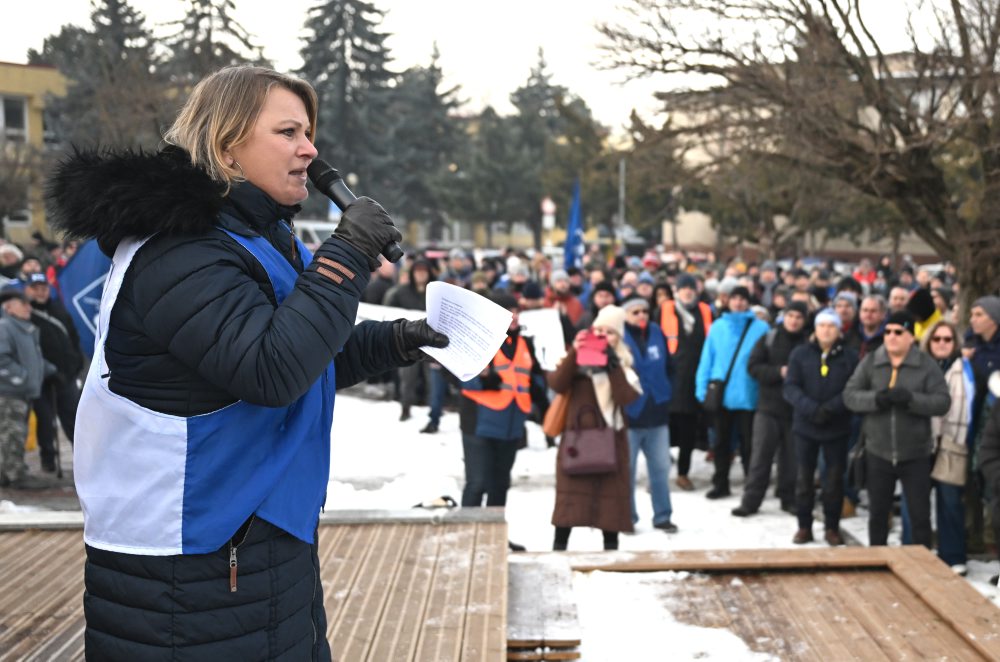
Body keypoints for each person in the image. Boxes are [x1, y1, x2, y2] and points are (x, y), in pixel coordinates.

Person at [46, 66, 448, 660]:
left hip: (249, 535)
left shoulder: (252, 239)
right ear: (226, 144)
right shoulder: (179, 250)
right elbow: (271, 370)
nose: (310, 149)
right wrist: (348, 255)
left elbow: (307, 355)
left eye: (308, 132)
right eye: (288, 132)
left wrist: (403, 338)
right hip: (189, 563)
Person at [843, 311, 950, 549]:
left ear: (910, 336)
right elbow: (850, 395)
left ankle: (922, 568)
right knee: (878, 515)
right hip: (877, 451)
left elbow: (942, 402)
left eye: (898, 332)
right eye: (888, 332)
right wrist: (876, 399)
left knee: (920, 516)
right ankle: (877, 563)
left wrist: (911, 400)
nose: (891, 337)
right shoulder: (872, 361)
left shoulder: (925, 365)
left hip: (915, 454)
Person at [549, 305, 640, 551]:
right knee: (569, 501)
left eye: (609, 332)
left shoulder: (624, 362)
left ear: (618, 337)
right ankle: (559, 550)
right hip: (577, 441)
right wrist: (574, 354)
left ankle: (610, 553)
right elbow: (557, 384)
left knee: (611, 503)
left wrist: (612, 368)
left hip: (611, 441)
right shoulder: (576, 358)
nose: (603, 336)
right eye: (598, 330)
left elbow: (627, 399)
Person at [458, 293, 545, 509]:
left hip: (511, 426)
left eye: (517, 311)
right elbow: (461, 377)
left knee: (501, 485)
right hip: (479, 424)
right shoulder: (479, 339)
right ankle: (466, 534)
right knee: (477, 484)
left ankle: (492, 536)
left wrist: (546, 408)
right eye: (509, 311)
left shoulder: (525, 343)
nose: (515, 316)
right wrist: (488, 380)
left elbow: (532, 380)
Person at [783, 308, 858, 545]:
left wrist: (830, 408)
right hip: (806, 426)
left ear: (839, 330)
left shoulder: (849, 357)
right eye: (822, 325)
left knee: (834, 480)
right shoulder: (800, 354)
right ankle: (804, 525)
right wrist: (811, 408)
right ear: (815, 329)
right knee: (804, 479)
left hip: (836, 426)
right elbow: (791, 387)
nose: (826, 330)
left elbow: (852, 389)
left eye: (831, 326)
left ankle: (832, 527)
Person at [732, 301, 808, 517]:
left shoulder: (807, 342)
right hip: (768, 407)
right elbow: (753, 367)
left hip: (795, 410)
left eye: (799, 317)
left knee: (791, 460)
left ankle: (788, 498)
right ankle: (751, 501)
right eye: (790, 315)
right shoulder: (769, 338)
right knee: (760, 458)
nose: (794, 321)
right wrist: (778, 372)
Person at [696, 286, 769, 498]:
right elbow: (706, 359)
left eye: (742, 299)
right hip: (722, 396)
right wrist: (701, 389)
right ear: (727, 301)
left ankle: (751, 485)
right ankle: (721, 483)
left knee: (749, 445)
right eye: (734, 298)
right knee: (720, 444)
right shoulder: (718, 327)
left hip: (749, 396)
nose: (738, 302)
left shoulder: (761, 328)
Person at [921, 320, 973, 574]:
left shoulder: (963, 368)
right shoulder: (919, 366)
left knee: (950, 499)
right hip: (922, 440)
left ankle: (953, 555)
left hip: (953, 439)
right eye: (937, 339)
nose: (942, 344)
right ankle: (915, 551)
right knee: (917, 501)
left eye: (947, 339)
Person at [621, 296, 677, 532]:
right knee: (627, 471)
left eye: (644, 311)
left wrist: (667, 390)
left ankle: (662, 515)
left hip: (657, 412)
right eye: (635, 312)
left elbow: (670, 366)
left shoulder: (656, 331)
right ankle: (627, 517)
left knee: (660, 469)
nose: (641, 315)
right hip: (630, 414)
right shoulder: (619, 336)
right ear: (625, 315)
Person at [23, 272, 83, 473]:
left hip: (66, 377)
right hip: (42, 380)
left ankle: (83, 460)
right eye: (36, 288)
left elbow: (73, 337)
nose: (41, 292)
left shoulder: (58, 310)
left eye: (44, 288)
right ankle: (48, 460)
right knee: (45, 421)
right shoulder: (26, 314)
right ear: (28, 290)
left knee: (74, 419)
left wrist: (76, 363)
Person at [660, 273, 713, 491]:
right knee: (664, 432)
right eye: (683, 288)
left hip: (695, 380)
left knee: (688, 433)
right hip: (670, 380)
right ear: (677, 291)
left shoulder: (705, 311)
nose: (688, 292)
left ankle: (683, 473)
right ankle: (660, 473)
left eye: (691, 288)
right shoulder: (664, 311)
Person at [0, 287, 55, 490]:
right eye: (22, 303)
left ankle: (6, 473)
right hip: (9, 392)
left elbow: (32, 359)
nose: (28, 307)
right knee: (12, 433)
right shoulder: (5, 327)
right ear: (8, 308)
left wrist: (49, 370)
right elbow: (2, 359)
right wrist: (21, 377)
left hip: (22, 392)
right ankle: (16, 475)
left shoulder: (24, 328)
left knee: (14, 433)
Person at [386, 257, 434, 422]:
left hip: (431, 343)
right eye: (418, 272)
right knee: (407, 377)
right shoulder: (401, 292)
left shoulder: (434, 292)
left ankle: (432, 409)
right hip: (408, 342)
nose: (421, 275)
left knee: (431, 378)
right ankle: (405, 407)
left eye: (424, 272)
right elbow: (391, 313)